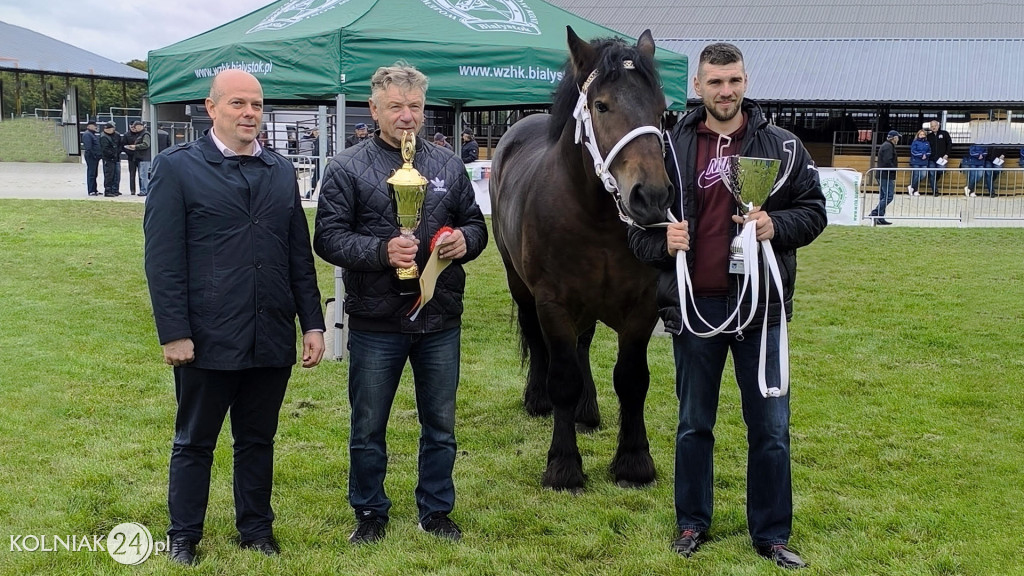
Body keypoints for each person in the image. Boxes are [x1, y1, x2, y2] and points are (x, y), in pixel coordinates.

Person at [627, 42, 826, 570]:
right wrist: (661, 243)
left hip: (762, 308)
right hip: (697, 309)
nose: (726, 91)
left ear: (745, 80)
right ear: (698, 86)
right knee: (694, 423)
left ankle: (771, 533)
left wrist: (775, 225)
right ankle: (692, 522)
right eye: (714, 82)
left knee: (771, 428)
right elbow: (636, 235)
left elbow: (814, 212)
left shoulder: (781, 147)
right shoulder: (667, 149)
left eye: (734, 80)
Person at [143, 69, 326, 566]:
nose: (249, 114)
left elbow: (297, 257)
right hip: (207, 335)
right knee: (194, 440)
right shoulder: (177, 168)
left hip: (269, 331)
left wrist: (312, 322)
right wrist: (175, 332)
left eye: (257, 105)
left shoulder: (281, 171)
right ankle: (183, 534)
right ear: (212, 108)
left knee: (257, 439)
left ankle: (256, 529)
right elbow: (162, 261)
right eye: (238, 104)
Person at [313, 63, 488, 546]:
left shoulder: (448, 165)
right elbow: (326, 237)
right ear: (374, 109)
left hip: (438, 317)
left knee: (441, 425)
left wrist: (464, 243)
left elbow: (476, 225)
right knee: (368, 427)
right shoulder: (347, 167)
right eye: (396, 107)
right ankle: (369, 511)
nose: (407, 116)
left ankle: (435, 511)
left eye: (414, 106)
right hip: (376, 321)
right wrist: (380, 251)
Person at [869, 130, 900, 225]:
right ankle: (875, 213)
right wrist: (894, 169)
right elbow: (887, 161)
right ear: (894, 138)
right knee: (889, 196)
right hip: (886, 175)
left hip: (883, 174)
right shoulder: (888, 146)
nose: (898, 139)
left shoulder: (887, 145)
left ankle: (880, 217)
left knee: (883, 196)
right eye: (897, 137)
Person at [124, 120, 152, 196]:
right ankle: (144, 190)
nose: (134, 129)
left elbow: (146, 144)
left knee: (143, 175)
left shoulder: (145, 134)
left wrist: (135, 147)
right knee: (143, 175)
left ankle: (144, 190)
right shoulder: (141, 134)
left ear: (139, 126)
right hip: (141, 158)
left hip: (144, 158)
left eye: (135, 127)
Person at [926, 119, 951, 196]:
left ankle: (934, 182)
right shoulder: (928, 136)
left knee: (941, 170)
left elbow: (949, 144)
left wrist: (947, 154)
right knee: (932, 173)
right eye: (932, 126)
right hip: (931, 159)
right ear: (930, 127)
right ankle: (935, 191)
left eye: (935, 126)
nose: (933, 127)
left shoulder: (945, 133)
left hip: (941, 158)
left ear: (938, 125)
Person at [99, 121, 122, 196]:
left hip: (113, 158)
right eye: (112, 128)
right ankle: (108, 191)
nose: (114, 130)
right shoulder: (104, 137)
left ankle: (113, 190)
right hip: (108, 159)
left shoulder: (112, 135)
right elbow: (105, 149)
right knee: (109, 175)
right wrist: (113, 154)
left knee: (114, 175)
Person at [907, 129, 930, 196]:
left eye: (923, 134)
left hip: (924, 161)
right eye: (921, 134)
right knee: (916, 175)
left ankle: (912, 186)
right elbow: (913, 151)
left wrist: (926, 155)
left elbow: (929, 151)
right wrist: (921, 155)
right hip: (916, 161)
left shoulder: (927, 143)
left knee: (923, 175)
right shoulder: (915, 142)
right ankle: (915, 190)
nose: (922, 136)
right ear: (918, 135)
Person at [82, 120, 101, 196]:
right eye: (93, 125)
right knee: (91, 173)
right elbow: (88, 147)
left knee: (94, 173)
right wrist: (94, 155)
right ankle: (91, 190)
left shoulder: (92, 134)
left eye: (95, 125)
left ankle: (94, 189)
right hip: (91, 157)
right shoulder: (87, 134)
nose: (95, 127)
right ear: (88, 126)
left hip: (95, 157)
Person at [306, 127, 322, 198]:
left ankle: (309, 195)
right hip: (319, 160)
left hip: (319, 161)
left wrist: (315, 157)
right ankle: (309, 194)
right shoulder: (320, 139)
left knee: (315, 179)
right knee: (316, 178)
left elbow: (318, 150)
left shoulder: (320, 139)